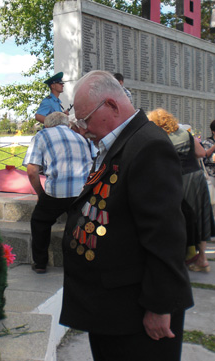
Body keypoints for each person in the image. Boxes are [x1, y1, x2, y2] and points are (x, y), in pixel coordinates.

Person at [59, 70, 193, 361]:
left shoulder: (148, 145)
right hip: (116, 307)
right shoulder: (123, 141)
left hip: (136, 313)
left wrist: (160, 307)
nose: (81, 129)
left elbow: (165, 235)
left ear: (112, 105)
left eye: (84, 120)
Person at [23, 111, 93, 273]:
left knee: (40, 221)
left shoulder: (42, 135)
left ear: (47, 125)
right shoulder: (80, 137)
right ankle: (81, 264)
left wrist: (41, 194)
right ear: (67, 124)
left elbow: (32, 171)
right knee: (78, 225)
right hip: (82, 192)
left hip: (56, 191)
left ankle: (40, 263)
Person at [149, 109, 214, 273]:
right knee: (201, 215)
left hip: (180, 179)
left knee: (182, 217)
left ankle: (184, 256)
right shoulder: (185, 132)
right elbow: (201, 153)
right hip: (198, 177)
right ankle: (203, 258)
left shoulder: (160, 137)